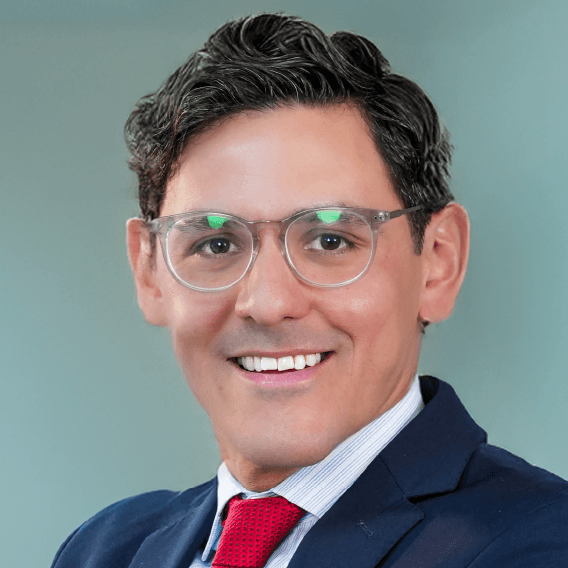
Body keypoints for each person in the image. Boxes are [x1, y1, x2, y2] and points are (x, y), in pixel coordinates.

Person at [51, 13, 568, 568]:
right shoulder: (103, 549)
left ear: (438, 263)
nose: (269, 304)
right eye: (217, 244)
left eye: (330, 239)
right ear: (149, 270)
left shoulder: (541, 542)